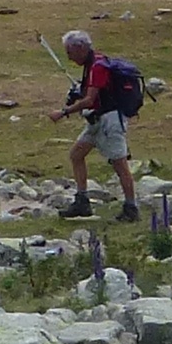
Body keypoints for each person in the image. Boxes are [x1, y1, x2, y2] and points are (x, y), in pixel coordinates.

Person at [52, 27, 146, 214]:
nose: (69, 57)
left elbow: (89, 100)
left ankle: (131, 207)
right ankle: (82, 202)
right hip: (96, 120)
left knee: (120, 164)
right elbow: (93, 94)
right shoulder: (95, 64)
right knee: (76, 155)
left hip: (110, 121)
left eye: (70, 52)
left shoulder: (97, 67)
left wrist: (64, 112)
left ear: (81, 48)